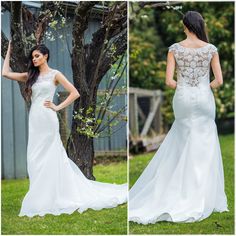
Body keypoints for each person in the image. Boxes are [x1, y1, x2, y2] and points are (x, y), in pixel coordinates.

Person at [2, 42, 127, 217]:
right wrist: (8, 50)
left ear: (46, 56)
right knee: (34, 157)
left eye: (37, 56)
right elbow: (5, 73)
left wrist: (58, 106)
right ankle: (41, 195)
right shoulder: (31, 75)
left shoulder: (55, 74)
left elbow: (75, 92)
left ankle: (56, 195)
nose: (34, 59)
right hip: (35, 119)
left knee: (52, 154)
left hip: (48, 118)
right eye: (33, 57)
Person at [129, 11, 228, 224]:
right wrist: (202, 88)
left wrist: (185, 87)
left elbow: (168, 81)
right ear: (200, 25)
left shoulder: (174, 49)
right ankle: (200, 192)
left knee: (181, 141)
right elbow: (219, 80)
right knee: (205, 143)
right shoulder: (211, 49)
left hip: (182, 98)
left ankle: (177, 188)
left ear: (185, 25)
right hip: (203, 98)